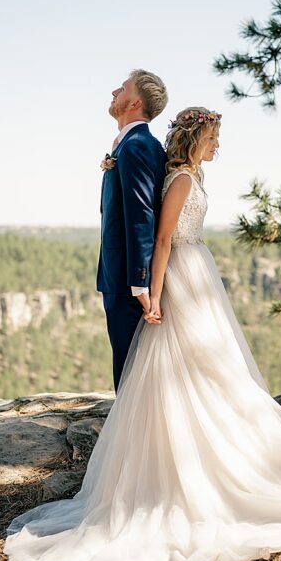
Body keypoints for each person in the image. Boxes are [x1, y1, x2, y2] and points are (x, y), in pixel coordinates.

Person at [4, 107, 281, 561]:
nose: (219, 145)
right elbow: (161, 241)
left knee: (217, 371)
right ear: (196, 138)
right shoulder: (178, 180)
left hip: (198, 277)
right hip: (180, 278)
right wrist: (153, 295)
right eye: (214, 137)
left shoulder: (190, 176)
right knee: (185, 373)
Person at [97, 69, 168, 390]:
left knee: (129, 377)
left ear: (134, 102)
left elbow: (141, 217)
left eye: (122, 88)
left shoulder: (137, 146)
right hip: (124, 277)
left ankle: (131, 441)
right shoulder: (132, 145)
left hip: (128, 282)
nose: (114, 91)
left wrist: (140, 287)